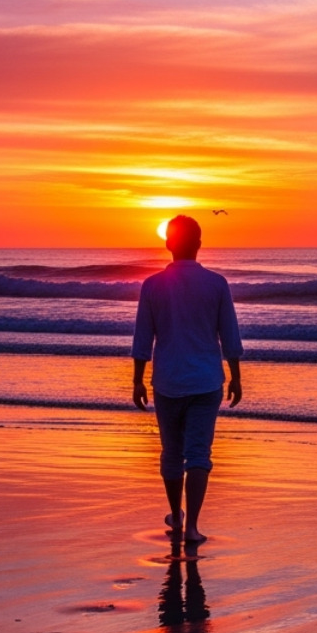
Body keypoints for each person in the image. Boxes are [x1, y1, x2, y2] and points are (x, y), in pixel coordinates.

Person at [132, 214, 243, 544]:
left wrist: (137, 379)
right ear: (199, 243)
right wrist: (236, 377)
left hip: (168, 380)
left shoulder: (152, 285)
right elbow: (230, 335)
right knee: (198, 453)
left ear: (168, 244)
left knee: (171, 453)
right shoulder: (216, 283)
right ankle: (192, 525)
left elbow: (143, 338)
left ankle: (176, 515)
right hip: (207, 379)